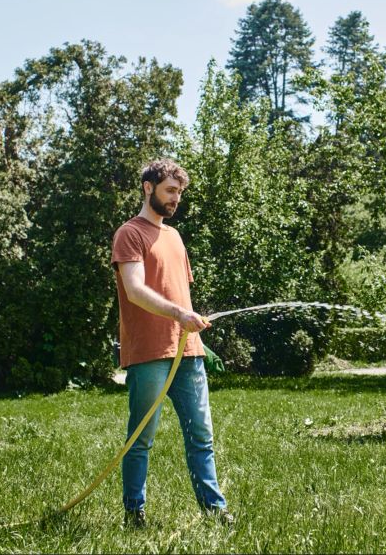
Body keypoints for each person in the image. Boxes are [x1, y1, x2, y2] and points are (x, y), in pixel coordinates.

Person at [111, 158, 232, 527]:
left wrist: (191, 325)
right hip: (149, 353)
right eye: (170, 190)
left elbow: (179, 293)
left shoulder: (175, 237)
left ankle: (215, 512)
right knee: (141, 438)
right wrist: (179, 315)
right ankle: (135, 513)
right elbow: (135, 291)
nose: (176, 198)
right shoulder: (129, 234)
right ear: (149, 188)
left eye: (179, 192)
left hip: (188, 353)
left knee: (201, 436)